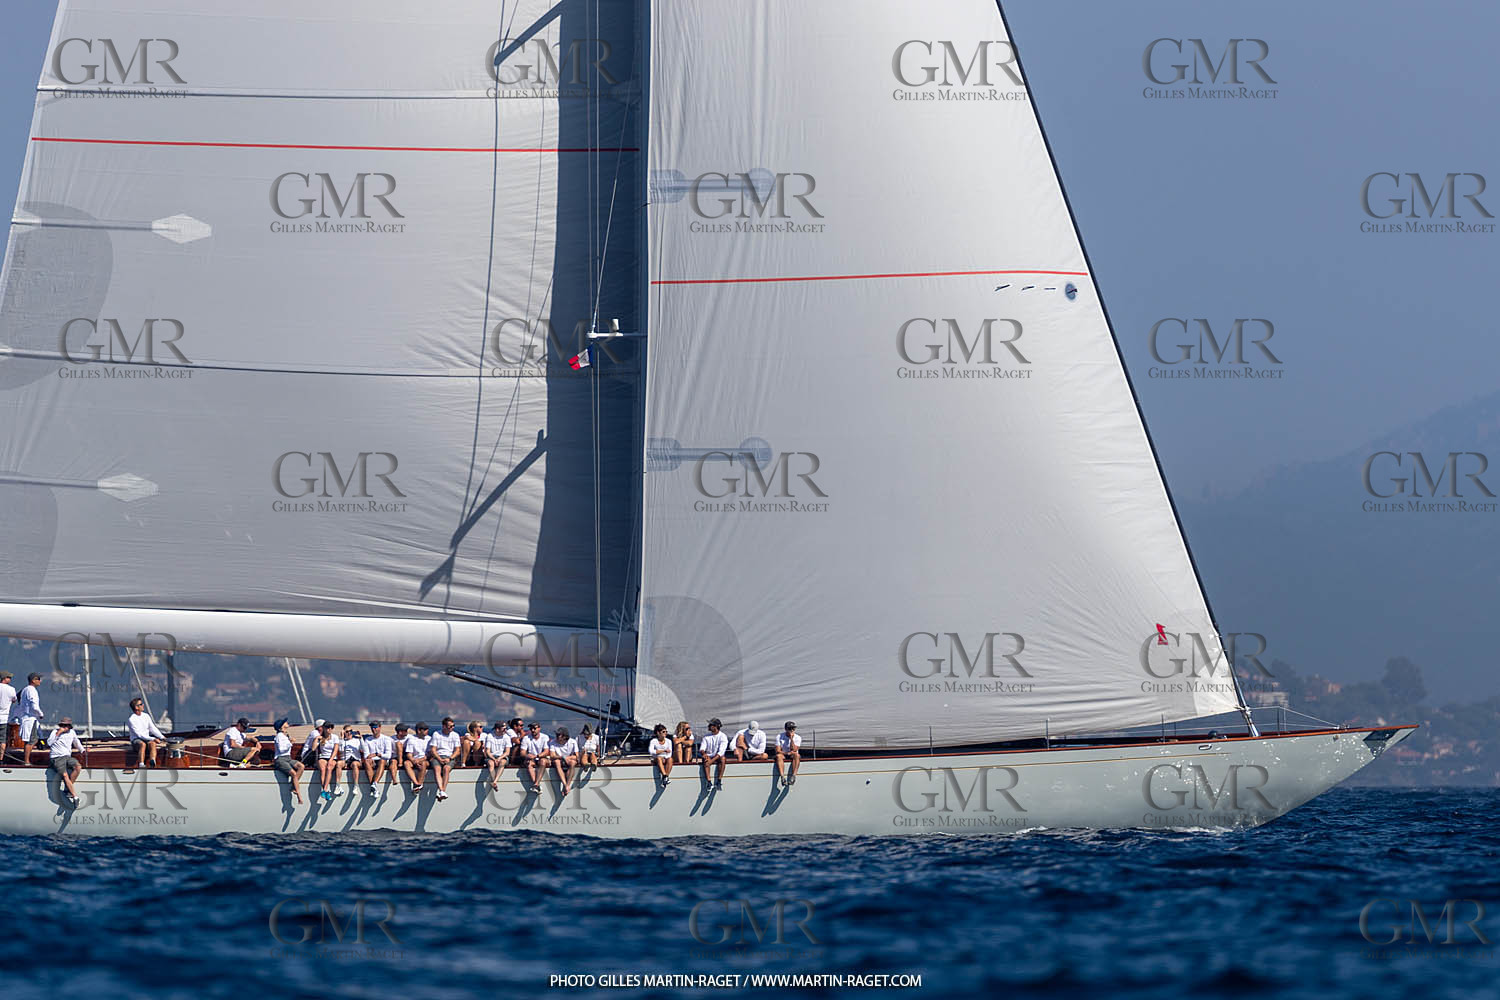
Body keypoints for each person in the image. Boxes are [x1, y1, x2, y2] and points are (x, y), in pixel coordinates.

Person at [46, 717, 84, 807]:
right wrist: (58, 734)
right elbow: (49, 743)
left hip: (67, 756)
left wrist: (82, 750)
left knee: (78, 767)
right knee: (65, 775)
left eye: (66, 725)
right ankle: (75, 797)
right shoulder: (55, 732)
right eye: (62, 725)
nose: (64, 727)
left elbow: (76, 742)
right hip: (56, 757)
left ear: (69, 726)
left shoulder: (72, 732)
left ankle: (68, 790)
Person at [271, 718, 305, 805]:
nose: (287, 723)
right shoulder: (279, 736)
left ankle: (293, 785)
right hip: (280, 759)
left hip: (288, 758)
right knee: (293, 774)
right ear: (281, 727)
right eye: (284, 723)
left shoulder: (285, 735)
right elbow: (281, 750)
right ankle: (299, 796)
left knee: (301, 766)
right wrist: (290, 743)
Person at [125, 697, 166, 767]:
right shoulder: (131, 719)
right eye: (141, 704)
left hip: (146, 738)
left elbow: (152, 728)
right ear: (136, 707)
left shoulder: (146, 716)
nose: (143, 705)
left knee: (153, 744)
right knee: (142, 744)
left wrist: (162, 737)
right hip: (136, 739)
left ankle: (152, 761)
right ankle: (141, 764)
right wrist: (153, 738)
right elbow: (139, 735)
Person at [428, 717, 462, 801]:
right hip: (438, 756)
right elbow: (433, 749)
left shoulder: (455, 735)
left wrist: (450, 758)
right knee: (437, 769)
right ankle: (442, 791)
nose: (452, 728)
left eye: (453, 726)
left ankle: (442, 790)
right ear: (444, 726)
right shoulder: (436, 734)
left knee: (446, 769)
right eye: (450, 726)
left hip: (449, 757)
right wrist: (439, 759)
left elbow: (457, 750)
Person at [16, 673, 44, 766]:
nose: (40, 681)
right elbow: (34, 705)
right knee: (32, 740)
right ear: (33, 680)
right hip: (30, 719)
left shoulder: (25, 690)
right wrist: (41, 714)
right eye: (38, 679)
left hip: (27, 718)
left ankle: (26, 759)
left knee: (30, 740)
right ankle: (26, 761)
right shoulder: (32, 690)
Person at [364, 721, 395, 793]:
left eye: (375, 727)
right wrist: (371, 757)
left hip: (383, 760)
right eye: (372, 728)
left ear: (380, 727)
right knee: (366, 761)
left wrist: (377, 754)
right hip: (372, 761)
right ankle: (374, 786)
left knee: (382, 761)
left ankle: (374, 783)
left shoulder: (386, 739)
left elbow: (388, 755)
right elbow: (366, 755)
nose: (373, 729)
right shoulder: (367, 739)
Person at [699, 718, 729, 790]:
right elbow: (702, 748)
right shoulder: (706, 736)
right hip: (709, 756)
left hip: (718, 756)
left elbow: (721, 752)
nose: (708, 726)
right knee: (706, 759)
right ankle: (709, 782)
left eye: (710, 725)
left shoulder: (723, 736)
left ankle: (719, 781)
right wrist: (704, 754)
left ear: (715, 726)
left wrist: (711, 762)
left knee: (723, 759)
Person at [549, 726, 580, 797]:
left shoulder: (572, 742)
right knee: (557, 762)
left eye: (558, 735)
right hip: (559, 760)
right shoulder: (553, 742)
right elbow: (552, 756)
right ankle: (565, 784)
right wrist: (562, 757)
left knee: (573, 762)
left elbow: (577, 756)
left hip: (569, 761)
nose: (556, 736)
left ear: (564, 736)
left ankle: (567, 785)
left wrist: (567, 757)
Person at [520, 722, 550, 792]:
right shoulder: (526, 738)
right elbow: (522, 752)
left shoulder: (545, 737)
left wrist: (537, 756)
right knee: (528, 763)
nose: (533, 730)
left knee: (542, 761)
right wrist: (527, 755)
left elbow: (546, 751)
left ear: (539, 728)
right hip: (531, 759)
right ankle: (536, 784)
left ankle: (536, 784)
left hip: (541, 758)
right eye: (531, 729)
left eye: (534, 728)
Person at [481, 721, 511, 791]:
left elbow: (507, 752)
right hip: (492, 756)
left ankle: (495, 781)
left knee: (502, 762)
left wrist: (499, 758)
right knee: (491, 763)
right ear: (497, 729)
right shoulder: (490, 736)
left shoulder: (506, 737)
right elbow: (487, 751)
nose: (505, 731)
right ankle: (494, 780)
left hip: (502, 756)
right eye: (503, 729)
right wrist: (494, 759)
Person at [402, 722, 431, 791]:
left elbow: (430, 754)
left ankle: (419, 784)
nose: (427, 731)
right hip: (414, 760)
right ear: (419, 730)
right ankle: (416, 783)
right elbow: (409, 754)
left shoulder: (429, 739)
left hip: (425, 760)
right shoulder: (411, 739)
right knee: (406, 763)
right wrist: (413, 761)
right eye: (425, 729)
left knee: (423, 763)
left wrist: (420, 760)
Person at [775, 721, 802, 787]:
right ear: (786, 729)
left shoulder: (798, 737)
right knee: (778, 756)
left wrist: (791, 739)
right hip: (784, 754)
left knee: (797, 755)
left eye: (793, 728)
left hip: (792, 754)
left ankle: (793, 776)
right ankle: (782, 777)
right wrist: (787, 753)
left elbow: (794, 749)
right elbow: (778, 750)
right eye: (790, 728)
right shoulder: (779, 736)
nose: (792, 730)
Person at [338, 725, 363, 794]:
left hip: (356, 760)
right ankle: (338, 785)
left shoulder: (357, 740)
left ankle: (356, 786)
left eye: (350, 731)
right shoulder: (342, 741)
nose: (349, 733)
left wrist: (361, 739)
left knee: (355, 764)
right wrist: (342, 738)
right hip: (346, 760)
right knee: (338, 764)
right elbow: (340, 750)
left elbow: (363, 749)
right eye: (347, 732)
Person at [0, 670, 16, 759]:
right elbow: (14, 699)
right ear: (4, 678)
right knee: (2, 739)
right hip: (4, 717)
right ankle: (1, 758)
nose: (10, 679)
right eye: (9, 677)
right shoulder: (11, 689)